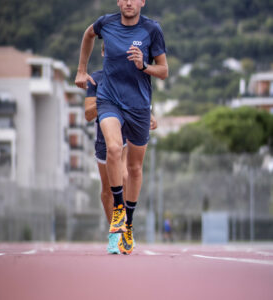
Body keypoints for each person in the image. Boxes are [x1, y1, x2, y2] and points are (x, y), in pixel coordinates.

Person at [75, 0, 168, 254]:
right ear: (118, 1)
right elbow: (88, 34)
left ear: (142, 2)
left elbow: (164, 71)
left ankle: (129, 225)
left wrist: (144, 65)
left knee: (135, 169)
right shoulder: (106, 23)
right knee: (114, 148)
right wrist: (82, 69)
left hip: (138, 106)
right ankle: (119, 211)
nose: (128, 2)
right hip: (109, 100)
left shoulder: (152, 30)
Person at [85, 43, 158, 254]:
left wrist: (148, 116)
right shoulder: (96, 78)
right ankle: (114, 233)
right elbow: (88, 115)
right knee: (107, 191)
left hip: (125, 136)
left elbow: (139, 104)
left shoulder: (131, 76)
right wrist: (107, 100)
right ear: (103, 53)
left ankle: (125, 229)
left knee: (125, 176)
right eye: (109, 49)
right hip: (103, 139)